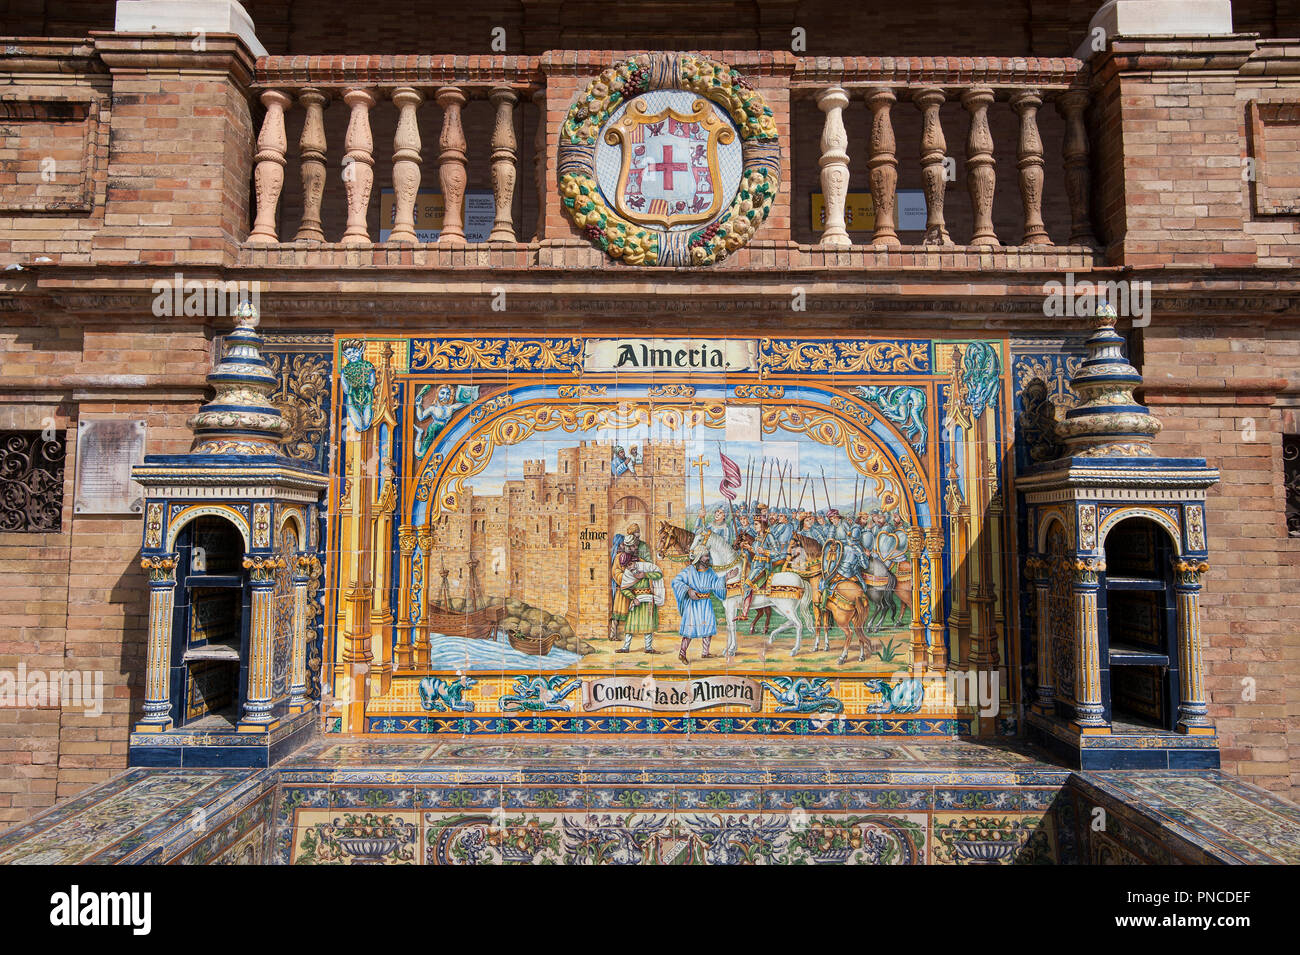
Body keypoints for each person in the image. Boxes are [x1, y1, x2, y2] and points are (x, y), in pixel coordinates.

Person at [671, 550, 728, 663]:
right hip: (692, 604)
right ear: (699, 557)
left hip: (706, 602)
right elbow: (676, 581)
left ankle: (705, 652)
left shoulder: (710, 572)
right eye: (706, 556)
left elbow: (716, 585)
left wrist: (725, 578)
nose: (708, 558)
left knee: (708, 627)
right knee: (690, 629)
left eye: (708, 556)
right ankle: (682, 653)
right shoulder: (689, 571)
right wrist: (688, 590)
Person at [615, 549, 664, 654]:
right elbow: (624, 589)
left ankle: (648, 648)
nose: (630, 567)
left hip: (648, 600)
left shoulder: (645, 567)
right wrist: (633, 598)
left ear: (634, 560)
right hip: (637, 601)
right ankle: (625, 647)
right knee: (630, 625)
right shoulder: (627, 574)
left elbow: (659, 575)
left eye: (631, 564)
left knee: (648, 625)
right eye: (627, 566)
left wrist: (645, 575)